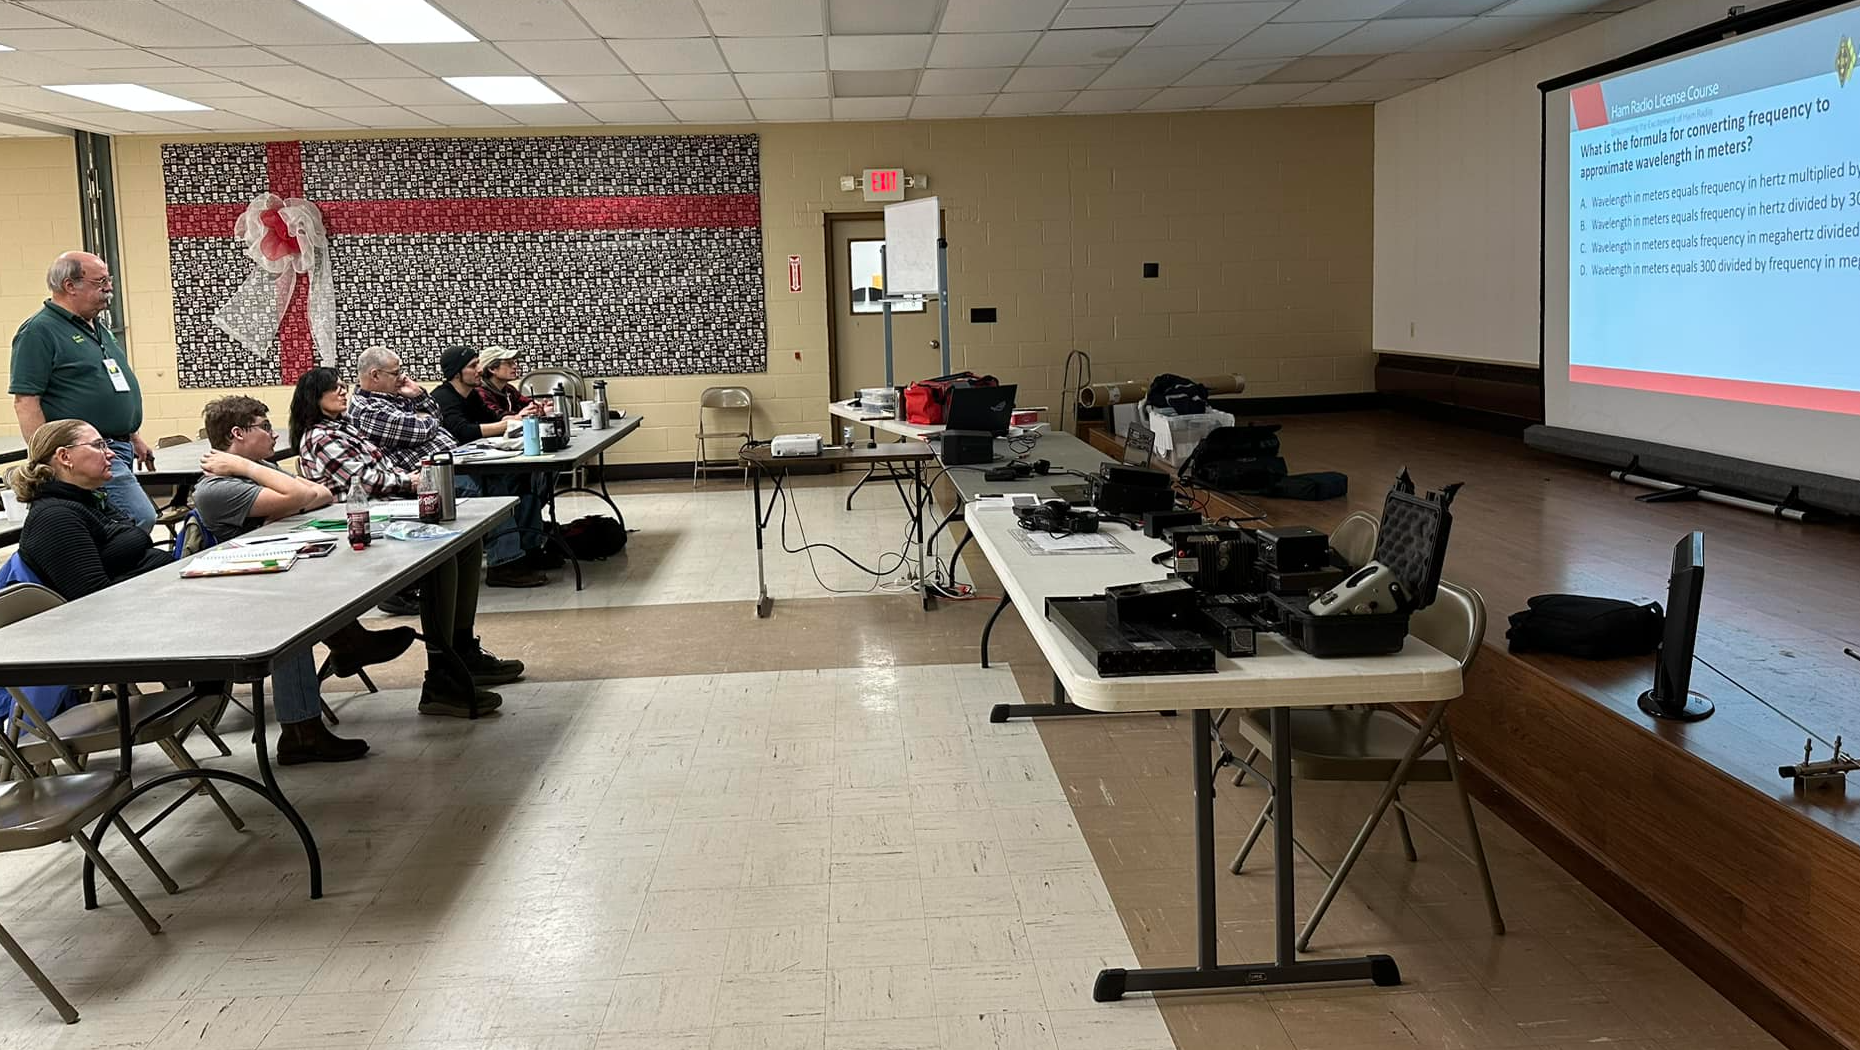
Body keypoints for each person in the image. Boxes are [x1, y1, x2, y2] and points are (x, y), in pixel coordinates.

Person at [4, 419, 367, 764]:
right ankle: (303, 729)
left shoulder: (90, 500)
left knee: (279, 589)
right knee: (280, 612)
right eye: (98, 445)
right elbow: (93, 602)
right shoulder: (56, 518)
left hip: (164, 604)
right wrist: (174, 593)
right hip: (124, 633)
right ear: (64, 457)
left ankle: (336, 668)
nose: (111, 452)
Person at [290, 367, 524, 718]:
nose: (342, 392)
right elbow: (362, 479)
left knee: (467, 544)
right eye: (334, 389)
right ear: (314, 397)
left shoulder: (345, 427)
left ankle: (462, 651)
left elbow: (409, 445)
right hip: (360, 525)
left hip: (388, 511)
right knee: (442, 558)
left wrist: (405, 478)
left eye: (342, 386)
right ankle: (441, 675)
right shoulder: (320, 437)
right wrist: (408, 481)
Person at [193, 394, 419, 681]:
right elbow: (302, 493)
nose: (274, 434)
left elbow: (322, 492)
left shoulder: (262, 468)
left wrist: (286, 502)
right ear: (237, 434)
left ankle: (351, 644)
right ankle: (348, 649)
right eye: (265, 426)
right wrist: (250, 470)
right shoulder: (217, 487)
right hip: (255, 590)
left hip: (284, 566)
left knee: (345, 559)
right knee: (312, 586)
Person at [346, 345, 547, 588]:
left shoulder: (398, 396)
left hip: (454, 461)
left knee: (520, 479)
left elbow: (435, 416)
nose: (402, 377)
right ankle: (504, 563)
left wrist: (419, 397)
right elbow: (421, 430)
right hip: (426, 475)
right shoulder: (366, 409)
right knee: (489, 493)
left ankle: (529, 549)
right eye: (396, 372)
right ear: (375, 375)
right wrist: (425, 419)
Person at [8, 252, 158, 532]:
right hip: (84, 453)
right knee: (139, 517)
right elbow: (26, 402)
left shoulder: (97, 327)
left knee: (106, 525)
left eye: (108, 280)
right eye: (100, 282)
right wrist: (47, 458)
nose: (109, 288)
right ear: (70, 286)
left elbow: (111, 383)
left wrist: (132, 435)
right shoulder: (39, 331)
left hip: (117, 447)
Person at [431, 347, 558, 572]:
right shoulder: (443, 397)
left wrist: (514, 420)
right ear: (456, 373)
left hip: (479, 462)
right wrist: (510, 423)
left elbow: (492, 419)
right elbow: (464, 431)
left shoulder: (472, 395)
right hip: (455, 470)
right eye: (473, 366)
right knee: (497, 491)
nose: (480, 370)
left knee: (525, 482)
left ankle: (530, 548)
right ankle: (504, 563)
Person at [475, 345, 533, 418]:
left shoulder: (509, 389)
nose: (515, 366)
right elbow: (497, 416)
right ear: (492, 369)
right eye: (509, 363)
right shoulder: (480, 393)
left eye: (514, 362)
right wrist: (519, 416)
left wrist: (536, 407)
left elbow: (525, 402)